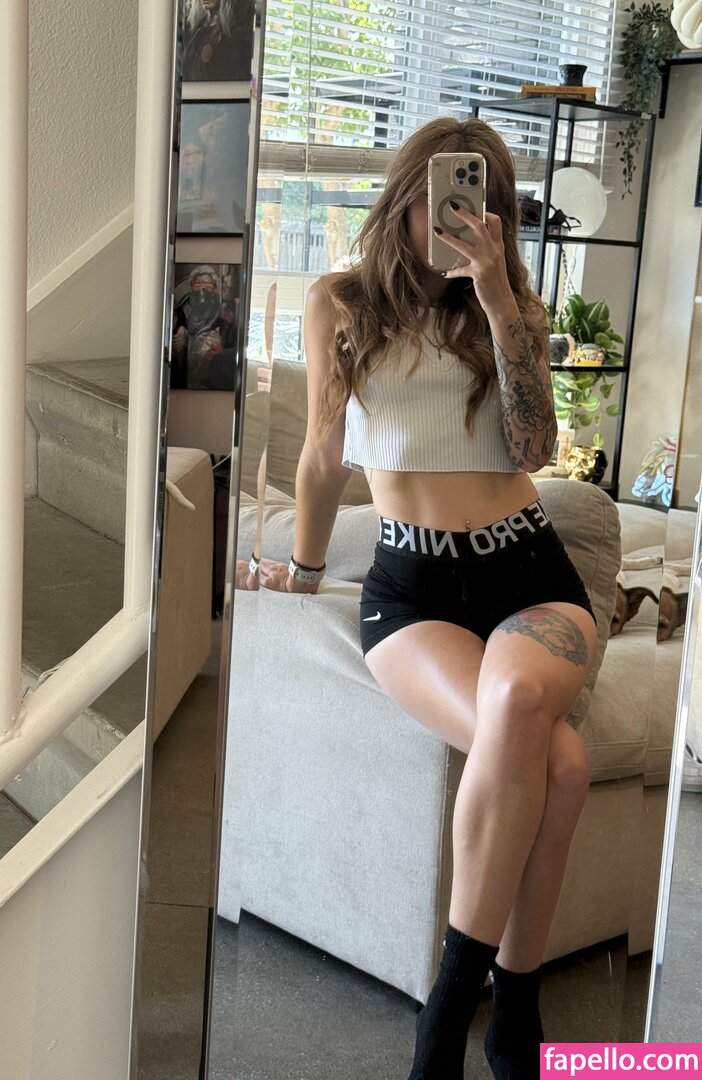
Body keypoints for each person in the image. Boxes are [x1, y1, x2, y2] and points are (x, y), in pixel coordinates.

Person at [248, 116, 599, 1079]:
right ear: (407, 195)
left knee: (519, 699)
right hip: (411, 588)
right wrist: (304, 573)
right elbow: (324, 454)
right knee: (560, 764)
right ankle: (514, 1014)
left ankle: (446, 1021)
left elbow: (535, 450)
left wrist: (497, 300)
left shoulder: (511, 307)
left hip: (529, 573)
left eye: (482, 201)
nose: (455, 217)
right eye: (440, 197)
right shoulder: (340, 302)